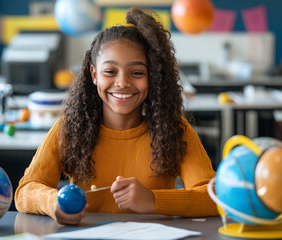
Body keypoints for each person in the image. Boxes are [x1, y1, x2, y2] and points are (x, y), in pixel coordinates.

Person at [15, 7, 218, 225]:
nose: (122, 82)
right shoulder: (70, 128)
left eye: (137, 73)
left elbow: (214, 198)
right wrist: (54, 203)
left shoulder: (176, 130)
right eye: (110, 72)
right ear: (94, 75)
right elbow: (26, 190)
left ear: (153, 78)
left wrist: (152, 200)